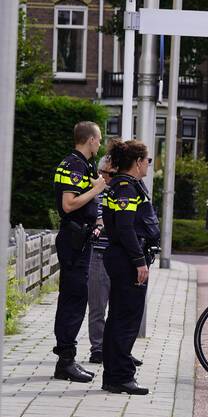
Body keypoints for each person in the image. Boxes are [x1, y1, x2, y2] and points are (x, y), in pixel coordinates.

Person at [101, 139, 160, 395]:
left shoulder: (123, 185)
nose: (148, 164)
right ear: (137, 162)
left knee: (117, 317)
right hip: (127, 260)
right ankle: (121, 377)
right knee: (126, 320)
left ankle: (113, 375)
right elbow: (125, 228)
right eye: (147, 160)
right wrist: (139, 262)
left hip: (122, 257)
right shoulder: (126, 188)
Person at [51, 121, 107, 383]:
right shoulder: (74, 165)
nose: (100, 143)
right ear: (91, 140)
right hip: (73, 240)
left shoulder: (83, 165)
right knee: (73, 298)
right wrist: (96, 189)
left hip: (81, 238)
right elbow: (69, 203)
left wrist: (96, 220)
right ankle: (65, 361)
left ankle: (67, 359)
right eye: (99, 139)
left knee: (75, 297)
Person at [86, 156, 144, 367]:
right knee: (98, 305)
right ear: (101, 173)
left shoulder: (121, 190)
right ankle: (98, 348)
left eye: (113, 174)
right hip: (99, 254)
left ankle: (120, 351)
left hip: (117, 257)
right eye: (108, 174)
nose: (110, 178)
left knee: (119, 307)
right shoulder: (94, 193)